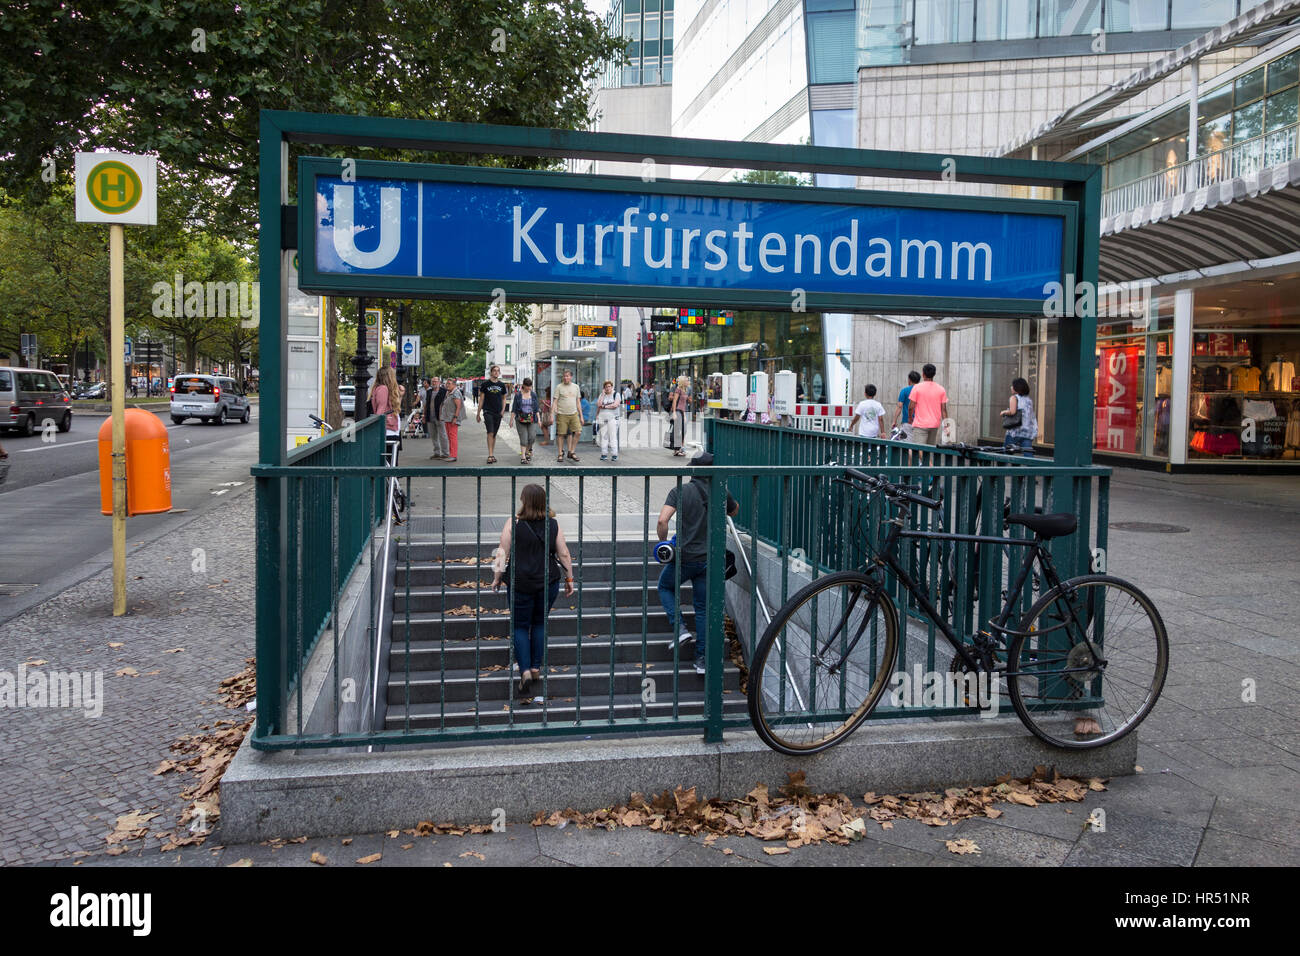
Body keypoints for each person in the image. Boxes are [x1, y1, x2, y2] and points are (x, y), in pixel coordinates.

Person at [656, 452, 739, 675]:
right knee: (702, 609)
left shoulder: (680, 491)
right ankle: (701, 660)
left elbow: (663, 520)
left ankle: (680, 628)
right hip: (710, 559)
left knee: (664, 586)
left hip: (685, 557)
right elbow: (734, 510)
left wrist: (663, 543)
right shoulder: (720, 490)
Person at [492, 484, 574, 698]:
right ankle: (536, 667)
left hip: (520, 582)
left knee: (520, 626)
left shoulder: (514, 523)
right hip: (548, 582)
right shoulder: (553, 524)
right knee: (539, 623)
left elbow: (502, 553)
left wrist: (497, 577)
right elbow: (564, 554)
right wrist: (569, 578)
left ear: (523, 500)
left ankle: (525, 670)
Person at [908, 363, 949, 445]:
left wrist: (910, 418)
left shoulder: (917, 387)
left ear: (923, 374)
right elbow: (944, 410)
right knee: (928, 449)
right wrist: (946, 426)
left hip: (920, 424)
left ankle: (930, 459)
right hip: (934, 425)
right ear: (934, 374)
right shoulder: (941, 389)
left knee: (919, 448)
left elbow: (911, 407)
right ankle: (929, 458)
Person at [477, 364, 508, 464]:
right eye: (494, 370)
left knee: (494, 434)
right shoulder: (485, 384)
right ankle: (490, 455)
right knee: (490, 432)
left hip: (498, 412)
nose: (496, 372)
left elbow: (504, 398)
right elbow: (481, 399)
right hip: (487, 411)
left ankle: (492, 453)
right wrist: (478, 413)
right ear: (491, 372)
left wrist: (503, 410)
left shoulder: (502, 385)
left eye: (498, 371)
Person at [1001, 377, 1037, 457]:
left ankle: (1001, 469)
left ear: (1016, 388)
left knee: (1004, 454)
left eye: (1012, 385)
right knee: (1028, 455)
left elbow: (1012, 412)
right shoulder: (1029, 400)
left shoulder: (1014, 398)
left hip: (1015, 432)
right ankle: (1033, 469)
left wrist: (1003, 412)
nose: (1011, 387)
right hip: (1027, 433)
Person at [553, 368, 583, 462]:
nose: (565, 378)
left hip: (574, 413)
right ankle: (560, 454)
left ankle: (571, 451)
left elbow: (578, 402)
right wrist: (553, 413)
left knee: (578, 432)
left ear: (571, 377)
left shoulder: (576, 387)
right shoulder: (559, 387)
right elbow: (555, 401)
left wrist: (581, 416)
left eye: (567, 376)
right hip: (562, 414)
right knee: (561, 434)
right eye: (564, 376)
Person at [511, 377, 540, 464]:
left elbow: (536, 408)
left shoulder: (533, 395)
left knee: (532, 437)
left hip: (532, 418)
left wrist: (539, 420)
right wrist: (511, 420)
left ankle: (528, 451)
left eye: (530, 386)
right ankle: (523, 456)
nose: (529, 388)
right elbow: (514, 408)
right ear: (523, 385)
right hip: (521, 419)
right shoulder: (518, 395)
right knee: (524, 439)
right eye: (527, 386)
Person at [438, 376, 465, 462]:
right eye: (446, 383)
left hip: (453, 418)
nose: (447, 385)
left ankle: (453, 455)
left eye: (449, 384)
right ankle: (451, 454)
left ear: (454, 385)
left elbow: (458, 406)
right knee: (450, 436)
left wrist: (455, 418)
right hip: (448, 418)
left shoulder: (455, 393)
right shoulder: (449, 392)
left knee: (452, 437)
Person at [596, 380, 621, 461]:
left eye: (609, 386)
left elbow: (615, 405)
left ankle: (614, 454)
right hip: (602, 418)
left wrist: (605, 406)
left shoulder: (616, 394)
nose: (607, 388)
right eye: (606, 387)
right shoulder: (602, 395)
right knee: (604, 436)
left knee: (612, 436)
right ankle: (604, 454)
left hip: (613, 418)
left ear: (612, 387)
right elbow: (599, 405)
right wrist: (603, 394)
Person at [892, 370, 921, 441]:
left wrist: (894, 421)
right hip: (920, 423)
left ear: (909, 380)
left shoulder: (904, 391)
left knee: (907, 445)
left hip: (907, 422)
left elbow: (899, 407)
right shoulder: (922, 391)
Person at [667, 375, 689, 457]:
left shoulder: (685, 390)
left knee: (684, 430)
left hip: (682, 412)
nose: (688, 382)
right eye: (687, 380)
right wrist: (674, 413)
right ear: (683, 382)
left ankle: (679, 448)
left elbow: (684, 404)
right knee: (678, 430)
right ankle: (676, 450)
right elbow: (674, 402)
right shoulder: (678, 390)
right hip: (678, 411)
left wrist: (684, 415)